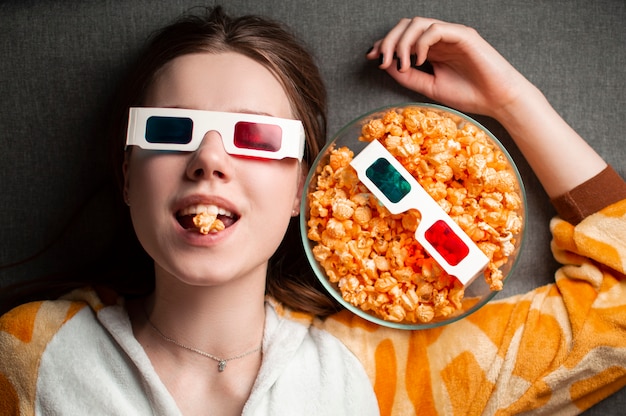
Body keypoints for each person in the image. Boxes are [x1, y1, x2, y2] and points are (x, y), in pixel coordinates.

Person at [1, 6, 626, 416]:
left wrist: (514, 100)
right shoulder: (29, 353)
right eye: (171, 129)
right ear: (128, 176)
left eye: (258, 137)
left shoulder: (385, 378)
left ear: (305, 189)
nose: (210, 158)